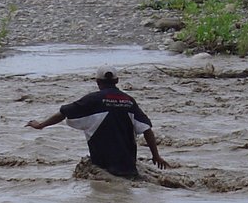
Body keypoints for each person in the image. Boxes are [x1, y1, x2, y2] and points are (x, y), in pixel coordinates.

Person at [27, 65, 169, 177]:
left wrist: (41, 125)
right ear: (117, 81)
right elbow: (147, 129)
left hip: (102, 165)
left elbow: (63, 113)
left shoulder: (92, 100)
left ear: (97, 82)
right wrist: (156, 156)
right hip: (128, 166)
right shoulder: (129, 101)